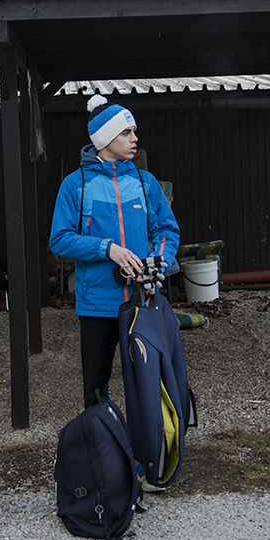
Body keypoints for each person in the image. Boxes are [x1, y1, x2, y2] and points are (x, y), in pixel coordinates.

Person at [50, 94, 180, 408]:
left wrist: (157, 263)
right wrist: (106, 249)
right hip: (97, 304)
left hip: (143, 301)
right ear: (105, 138)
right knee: (95, 388)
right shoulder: (75, 184)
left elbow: (167, 230)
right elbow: (60, 239)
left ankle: (148, 449)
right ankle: (103, 448)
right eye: (126, 132)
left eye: (133, 131)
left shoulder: (145, 182)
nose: (135, 138)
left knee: (149, 383)